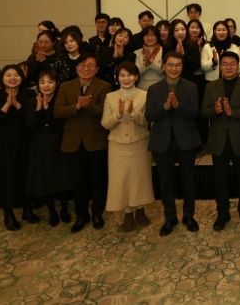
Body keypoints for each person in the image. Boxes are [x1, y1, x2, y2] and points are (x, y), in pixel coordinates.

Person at [145, 52, 202, 236]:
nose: (174, 68)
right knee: (166, 183)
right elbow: (149, 115)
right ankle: (170, 218)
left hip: (186, 140)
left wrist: (178, 106)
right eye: (170, 65)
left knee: (188, 181)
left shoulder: (191, 87)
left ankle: (189, 216)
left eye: (178, 65)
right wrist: (165, 107)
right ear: (163, 66)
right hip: (162, 142)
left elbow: (195, 113)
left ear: (182, 67)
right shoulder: (154, 89)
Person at [53, 53, 111, 232]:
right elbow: (57, 111)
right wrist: (77, 107)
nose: (86, 69)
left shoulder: (105, 86)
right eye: (82, 65)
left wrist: (89, 106)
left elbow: (105, 110)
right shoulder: (65, 86)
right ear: (76, 68)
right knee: (78, 182)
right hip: (73, 141)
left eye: (91, 65)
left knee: (98, 180)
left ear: (97, 69)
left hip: (96, 140)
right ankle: (81, 215)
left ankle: (97, 214)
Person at [201, 51, 240, 231]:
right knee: (220, 181)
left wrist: (233, 112)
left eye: (232, 64)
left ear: (238, 65)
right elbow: (204, 112)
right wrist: (216, 111)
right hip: (219, 140)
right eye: (224, 64)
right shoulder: (211, 87)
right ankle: (222, 214)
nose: (228, 67)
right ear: (220, 66)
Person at [101, 62, 154, 232]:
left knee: (140, 178)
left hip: (140, 142)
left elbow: (147, 121)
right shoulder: (110, 97)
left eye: (130, 75)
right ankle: (128, 214)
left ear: (136, 77)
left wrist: (133, 113)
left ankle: (140, 210)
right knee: (121, 181)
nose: (126, 79)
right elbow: (105, 124)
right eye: (122, 75)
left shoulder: (145, 95)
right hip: (117, 145)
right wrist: (118, 114)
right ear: (117, 78)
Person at [0, 64, 35, 231]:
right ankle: (8, 212)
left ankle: (27, 208)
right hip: (3, 144)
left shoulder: (30, 95)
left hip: (25, 141)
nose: (13, 78)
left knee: (26, 174)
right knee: (6, 176)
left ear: (22, 77)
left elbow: (31, 120)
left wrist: (18, 105)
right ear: (2, 78)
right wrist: (7, 105)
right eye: (8, 75)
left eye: (16, 75)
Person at [25, 71, 70, 227]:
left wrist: (47, 108)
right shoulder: (33, 101)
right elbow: (30, 125)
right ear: (38, 85)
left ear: (56, 84)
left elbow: (59, 124)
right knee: (44, 179)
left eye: (50, 82)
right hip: (40, 145)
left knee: (62, 177)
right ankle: (52, 211)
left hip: (59, 142)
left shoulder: (61, 99)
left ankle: (64, 209)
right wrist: (39, 109)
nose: (46, 85)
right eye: (42, 82)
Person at [135, 26, 164, 91]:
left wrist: (150, 61)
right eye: (146, 35)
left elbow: (162, 71)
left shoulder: (164, 51)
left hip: (160, 86)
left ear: (157, 37)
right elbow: (136, 73)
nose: (149, 38)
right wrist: (146, 63)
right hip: (141, 87)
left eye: (152, 35)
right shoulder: (137, 52)